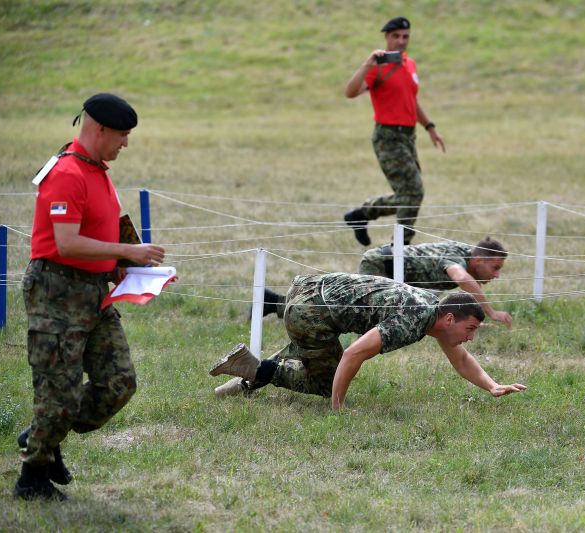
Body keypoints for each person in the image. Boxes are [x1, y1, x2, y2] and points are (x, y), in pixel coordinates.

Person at [13, 93, 166, 501]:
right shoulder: (67, 173)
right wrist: (127, 252)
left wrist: (133, 268)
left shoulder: (98, 170)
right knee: (58, 390)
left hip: (93, 292)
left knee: (119, 383)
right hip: (56, 291)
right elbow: (65, 243)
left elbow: (104, 228)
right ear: (99, 129)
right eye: (122, 135)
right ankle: (33, 477)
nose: (126, 144)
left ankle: (48, 430)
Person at [212, 273, 526, 408]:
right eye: (470, 329)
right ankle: (253, 370)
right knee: (325, 380)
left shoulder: (435, 307)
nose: (470, 338)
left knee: (314, 354)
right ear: (449, 320)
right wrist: (338, 406)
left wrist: (492, 386)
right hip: (312, 311)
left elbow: (460, 359)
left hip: (307, 288)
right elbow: (353, 354)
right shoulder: (414, 319)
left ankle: (243, 381)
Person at [343, 16, 445, 247]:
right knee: (413, 191)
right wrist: (367, 64)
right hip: (387, 137)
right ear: (386, 38)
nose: (401, 41)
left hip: (408, 136)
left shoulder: (410, 64)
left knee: (410, 194)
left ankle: (361, 215)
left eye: (405, 36)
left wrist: (430, 126)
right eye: (395, 36)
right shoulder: (378, 68)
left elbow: (411, 100)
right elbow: (350, 92)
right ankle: (399, 249)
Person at [260, 237, 513, 328]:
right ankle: (278, 305)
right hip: (382, 265)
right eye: (495, 268)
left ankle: (272, 303)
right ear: (479, 259)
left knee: (347, 308)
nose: (497, 275)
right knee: (352, 313)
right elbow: (460, 278)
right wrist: (489, 312)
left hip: (390, 268)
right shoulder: (458, 258)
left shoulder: (468, 254)